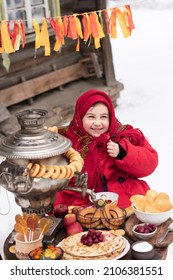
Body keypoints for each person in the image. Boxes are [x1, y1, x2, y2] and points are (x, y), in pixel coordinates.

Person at [53, 89, 158, 209]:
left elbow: (149, 164)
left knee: (138, 214)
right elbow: (56, 180)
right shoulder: (67, 143)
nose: (97, 123)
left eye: (103, 117)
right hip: (83, 200)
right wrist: (59, 207)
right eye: (91, 117)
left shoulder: (123, 136)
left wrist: (124, 153)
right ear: (80, 117)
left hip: (122, 195)